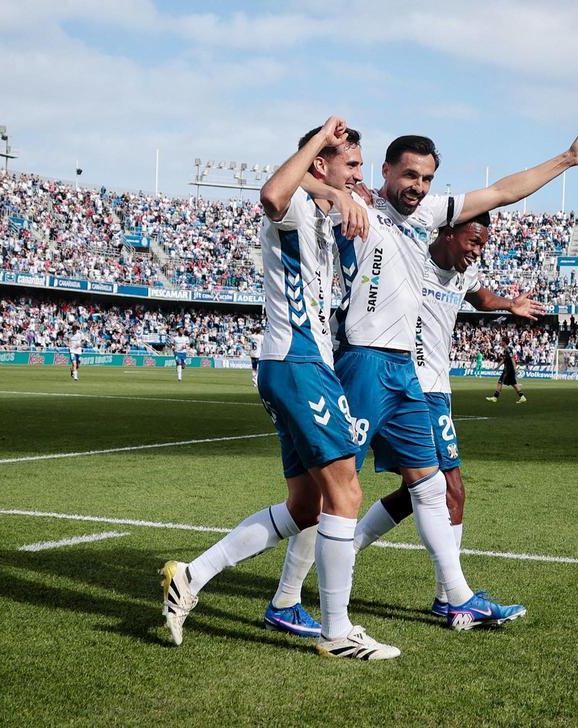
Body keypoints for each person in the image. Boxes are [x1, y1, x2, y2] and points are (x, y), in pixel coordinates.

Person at [321, 130, 578, 630]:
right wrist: (338, 189)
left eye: (427, 178)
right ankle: (299, 589)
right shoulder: (383, 223)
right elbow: (292, 189)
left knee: (425, 489)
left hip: (417, 383)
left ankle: (449, 594)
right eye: (410, 174)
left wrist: (566, 159)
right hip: (374, 367)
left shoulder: (438, 237)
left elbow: (501, 197)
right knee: (337, 489)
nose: (420, 186)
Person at [157, 117, 399, 660]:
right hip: (298, 362)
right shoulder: (294, 208)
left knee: (305, 506)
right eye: (351, 164)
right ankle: (337, 632)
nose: (359, 175)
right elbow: (271, 193)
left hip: (294, 364)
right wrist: (320, 149)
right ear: (321, 161)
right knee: (346, 492)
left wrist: (337, 191)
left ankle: (190, 577)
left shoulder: (323, 206)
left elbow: (325, 192)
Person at [279, 212, 546, 621]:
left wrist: (510, 304)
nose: (477, 252)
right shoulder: (409, 256)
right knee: (352, 486)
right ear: (448, 232)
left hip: (430, 389)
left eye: (483, 245)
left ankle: (357, 561)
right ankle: (448, 598)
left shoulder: (464, 274)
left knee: (420, 490)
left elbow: (481, 298)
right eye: (473, 242)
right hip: (388, 378)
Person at [486, 336, 526, 403]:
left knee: (500, 382)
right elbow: (504, 359)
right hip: (508, 369)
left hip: (508, 370)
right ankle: (522, 397)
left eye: (501, 341)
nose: (500, 342)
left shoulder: (508, 349)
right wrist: (497, 367)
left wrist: (515, 368)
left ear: (504, 342)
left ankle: (495, 398)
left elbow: (512, 359)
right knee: (514, 384)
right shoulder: (506, 350)